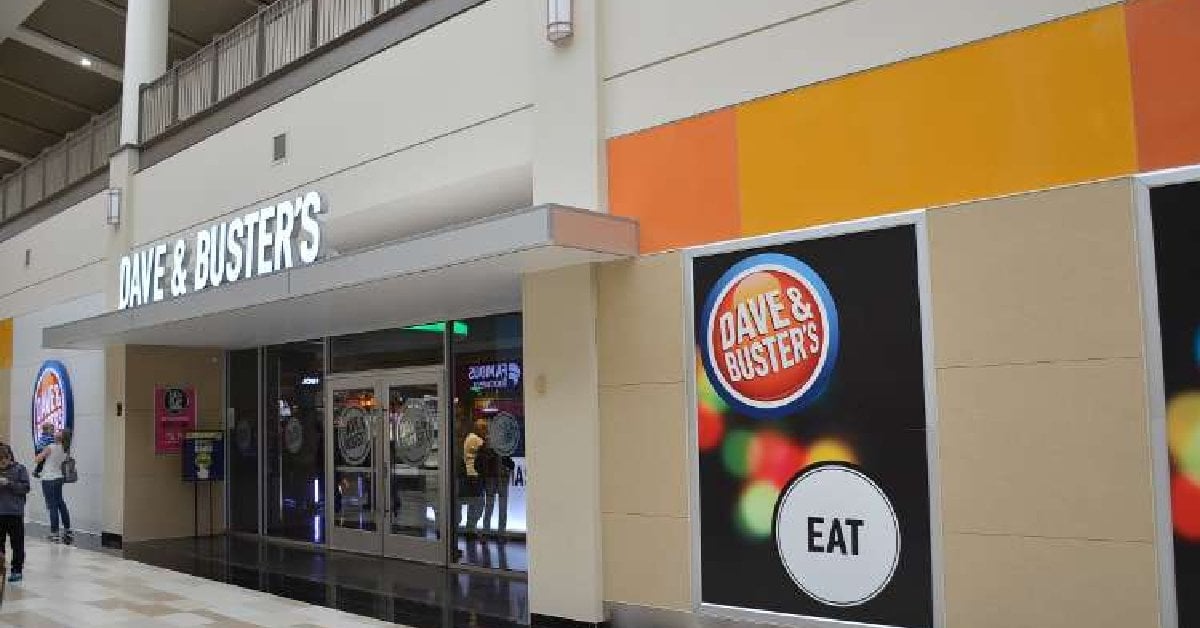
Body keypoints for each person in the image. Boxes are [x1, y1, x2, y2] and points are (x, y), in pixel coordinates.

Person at [33, 429, 71, 544]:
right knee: (61, 503)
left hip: (49, 478)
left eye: (58, 432)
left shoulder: (50, 447)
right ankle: (67, 530)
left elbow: (37, 460)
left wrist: (41, 451)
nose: (55, 432)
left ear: (60, 436)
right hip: (59, 478)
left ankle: (54, 533)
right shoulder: (65, 449)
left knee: (52, 505)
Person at [0, 443, 30, 582]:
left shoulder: (20, 469)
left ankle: (17, 570)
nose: (2, 464)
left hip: (15, 513)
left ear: (9, 457)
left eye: (4, 460)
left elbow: (25, 488)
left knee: (17, 543)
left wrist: (9, 483)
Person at [461, 418, 487, 536]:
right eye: (484, 428)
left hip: (471, 475)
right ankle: (471, 528)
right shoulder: (475, 439)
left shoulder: (470, 438)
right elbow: (488, 448)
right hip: (474, 475)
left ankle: (470, 529)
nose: (485, 431)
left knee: (474, 504)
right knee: (478, 503)